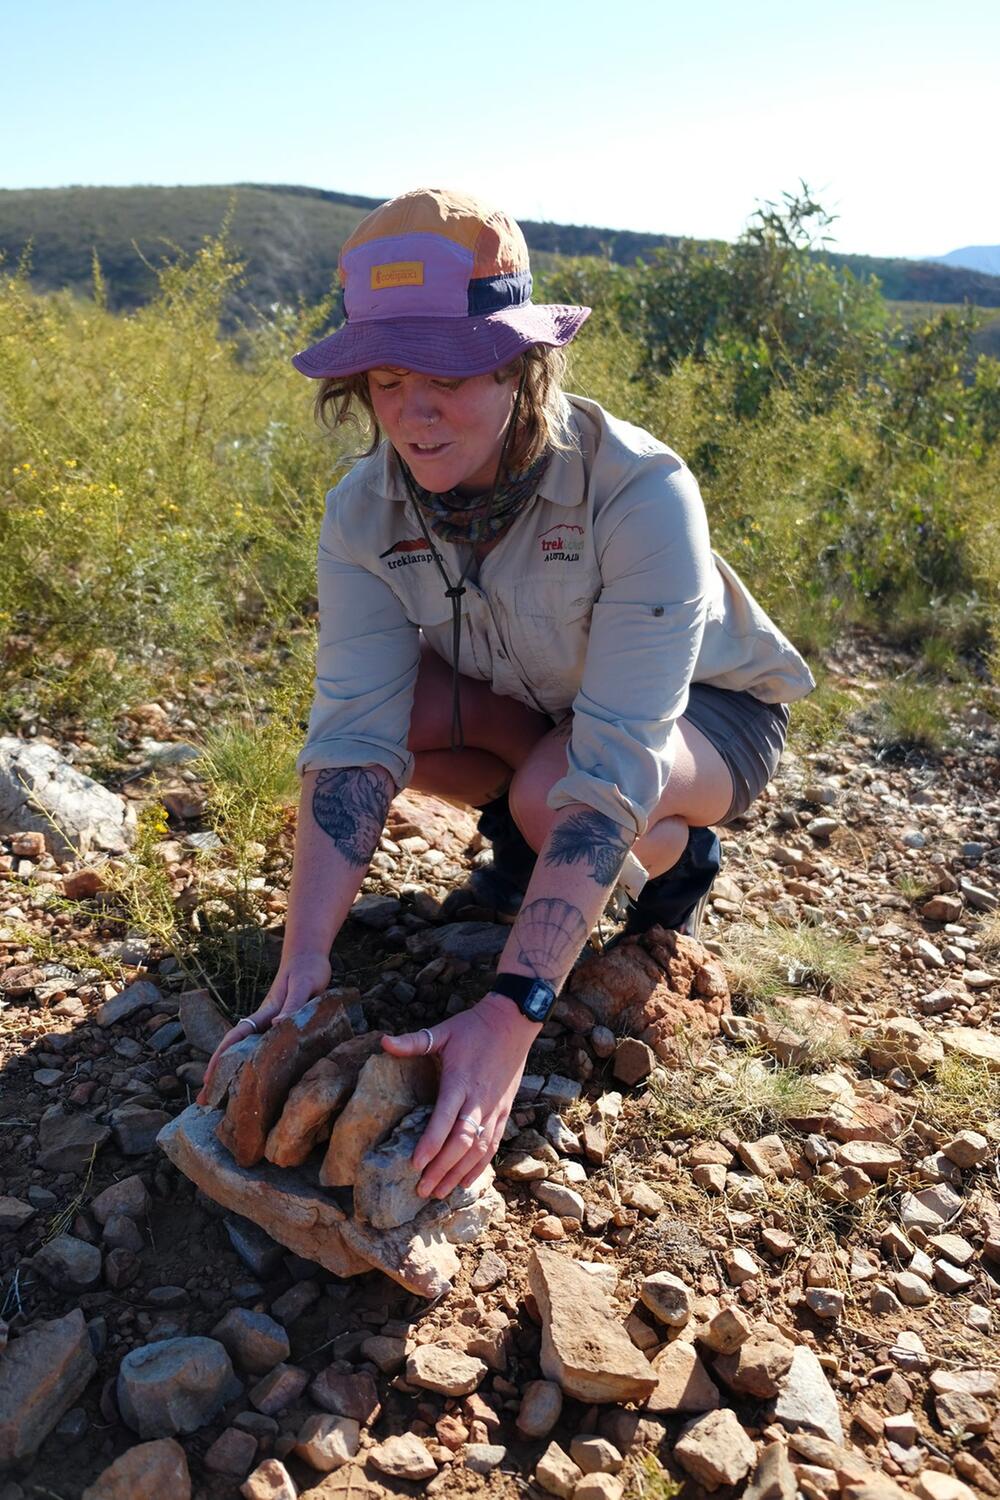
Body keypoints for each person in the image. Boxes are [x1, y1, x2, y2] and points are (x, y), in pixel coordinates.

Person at [200, 187, 815, 1205]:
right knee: (404, 730)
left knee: (559, 789)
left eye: (448, 370)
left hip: (705, 717)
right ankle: (536, 850)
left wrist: (510, 1011)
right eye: (388, 378)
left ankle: (675, 862)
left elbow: (616, 752)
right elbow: (350, 730)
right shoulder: (364, 510)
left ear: (523, 362)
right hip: (540, 706)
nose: (413, 410)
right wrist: (300, 959)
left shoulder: (636, 489)